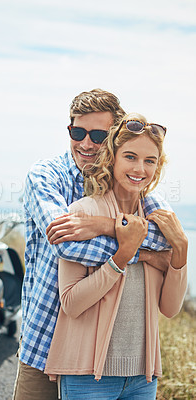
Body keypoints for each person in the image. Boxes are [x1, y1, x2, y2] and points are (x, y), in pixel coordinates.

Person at [13, 90, 173, 400]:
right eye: (78, 132)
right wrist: (140, 252)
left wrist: (105, 226)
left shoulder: (130, 182)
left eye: (98, 134)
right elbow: (65, 244)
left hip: (97, 354)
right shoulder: (46, 177)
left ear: (114, 140)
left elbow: (165, 236)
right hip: (44, 339)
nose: (86, 143)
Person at [44, 113, 188, 400]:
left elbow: (170, 309)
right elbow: (71, 304)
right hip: (87, 378)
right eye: (131, 157)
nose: (140, 168)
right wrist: (122, 256)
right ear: (112, 158)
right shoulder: (82, 214)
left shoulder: (160, 225)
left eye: (150, 161)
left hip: (142, 378)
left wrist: (181, 248)